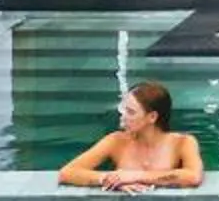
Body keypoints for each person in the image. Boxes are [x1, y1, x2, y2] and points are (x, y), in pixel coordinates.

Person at [59, 80, 204, 193]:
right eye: (123, 110)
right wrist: (109, 179)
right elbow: (67, 172)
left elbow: (193, 176)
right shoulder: (116, 141)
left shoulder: (183, 142)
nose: (123, 117)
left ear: (152, 117)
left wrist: (135, 176)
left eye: (131, 112)